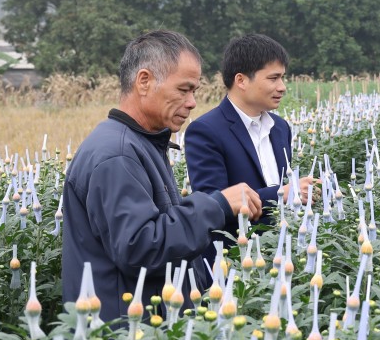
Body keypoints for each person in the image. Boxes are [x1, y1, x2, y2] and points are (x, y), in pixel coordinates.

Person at [62, 30, 261, 324]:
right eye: (184, 89)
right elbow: (140, 247)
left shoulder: (140, 143)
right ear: (144, 81)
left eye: (194, 91)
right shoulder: (117, 155)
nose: (193, 102)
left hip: (140, 331)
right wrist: (215, 205)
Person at [185, 34, 316, 222]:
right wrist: (281, 194)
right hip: (237, 247)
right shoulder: (206, 131)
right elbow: (213, 205)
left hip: (282, 246)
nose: (282, 87)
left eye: (282, 77)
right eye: (274, 78)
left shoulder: (280, 128)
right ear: (241, 81)